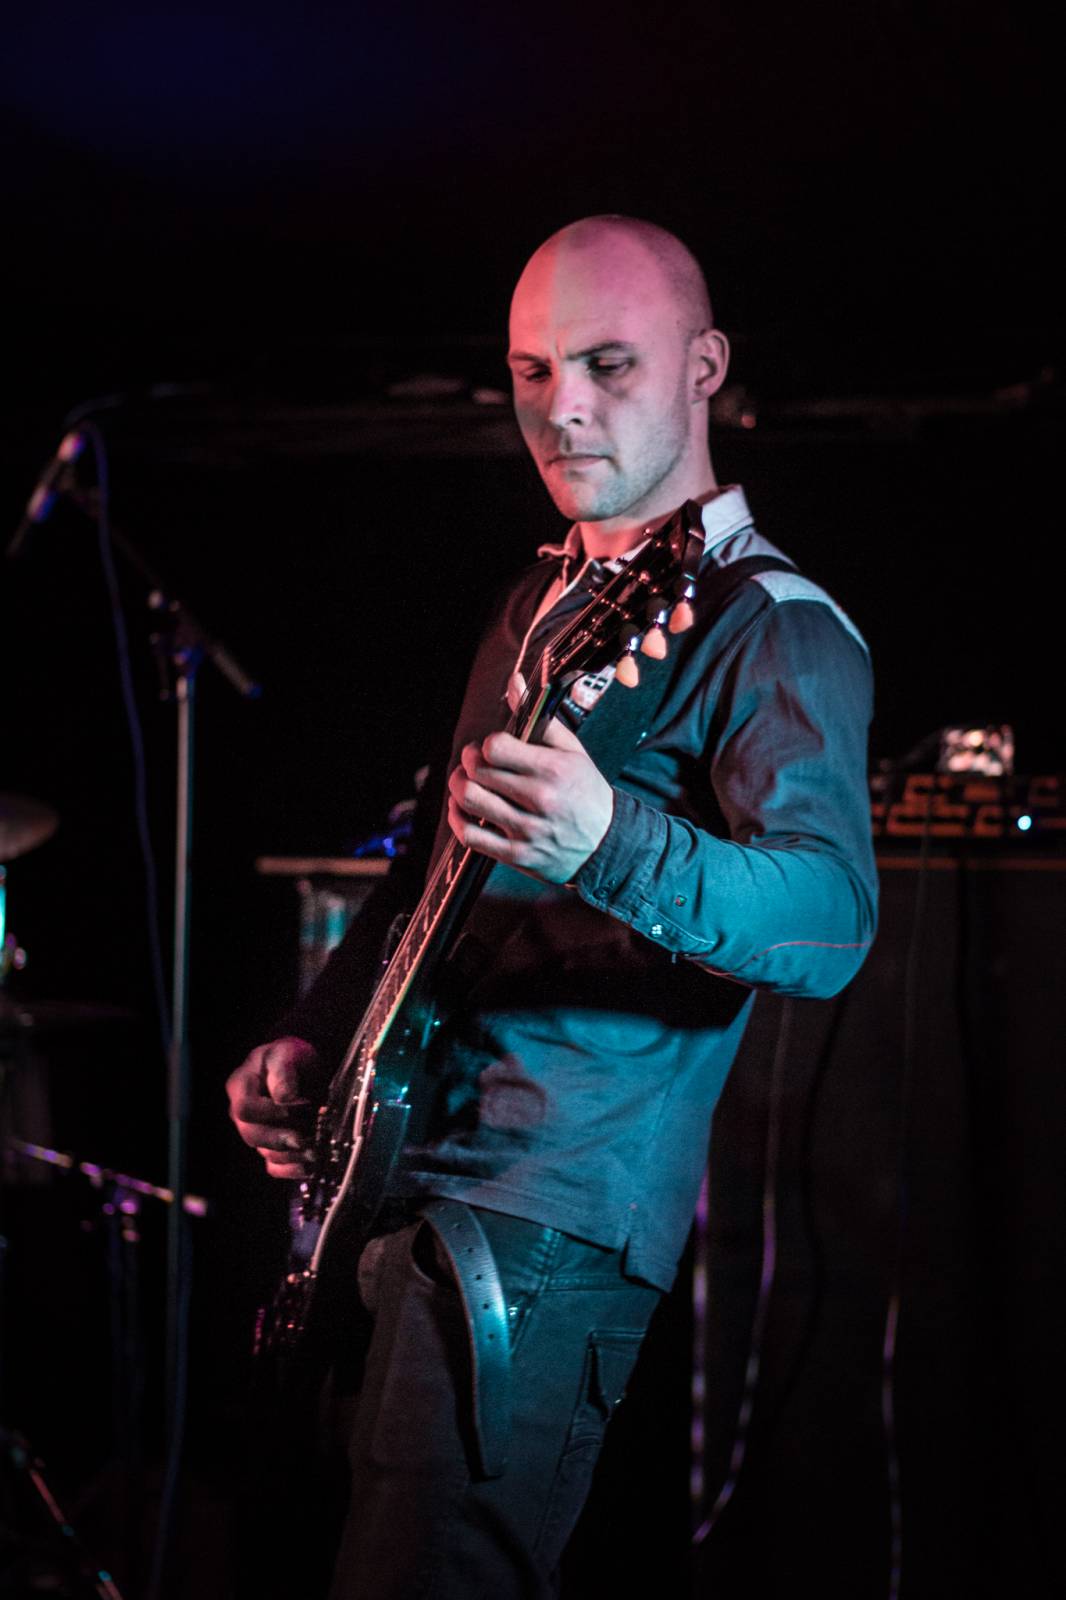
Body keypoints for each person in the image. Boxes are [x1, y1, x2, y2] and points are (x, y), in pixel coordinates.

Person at [226, 214, 878, 1598]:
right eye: (531, 370)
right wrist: (319, 1033)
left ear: (705, 367)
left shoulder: (777, 625)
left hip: (550, 1210)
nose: (560, 407)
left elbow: (830, 920)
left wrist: (609, 840)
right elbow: (430, 874)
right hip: (394, 1172)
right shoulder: (540, 596)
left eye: (605, 364)